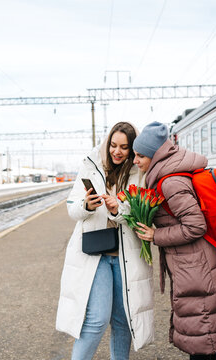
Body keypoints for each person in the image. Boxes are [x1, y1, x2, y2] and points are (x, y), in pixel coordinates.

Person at [132, 121, 216, 360]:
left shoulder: (170, 182)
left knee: (203, 338)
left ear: (154, 155)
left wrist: (156, 235)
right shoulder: (170, 174)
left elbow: (195, 225)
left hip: (196, 269)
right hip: (197, 265)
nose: (135, 161)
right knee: (205, 336)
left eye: (139, 155)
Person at [56, 122, 155, 360]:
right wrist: (86, 206)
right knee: (96, 320)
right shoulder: (91, 165)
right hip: (96, 254)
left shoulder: (139, 171)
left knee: (123, 322)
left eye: (124, 147)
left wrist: (117, 209)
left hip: (126, 256)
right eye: (113, 145)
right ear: (107, 142)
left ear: (132, 149)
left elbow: (142, 212)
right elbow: (72, 208)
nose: (117, 152)